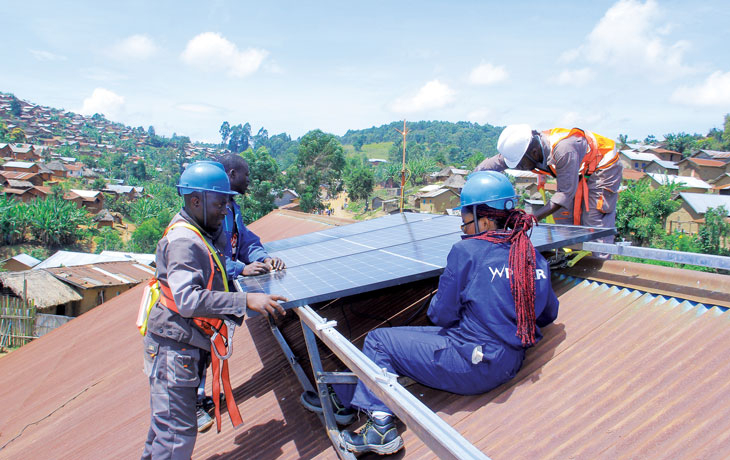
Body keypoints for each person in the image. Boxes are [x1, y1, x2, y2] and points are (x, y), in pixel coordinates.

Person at [301, 171, 559, 456]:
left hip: (472, 365)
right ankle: (348, 398)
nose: (463, 226)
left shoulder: (468, 251)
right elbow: (547, 315)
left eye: (466, 219)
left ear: (484, 219)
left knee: (378, 342)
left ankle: (380, 428)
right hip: (510, 363)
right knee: (408, 346)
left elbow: (441, 316)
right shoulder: (532, 255)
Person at [141, 161, 287, 459]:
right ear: (196, 201)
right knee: (176, 436)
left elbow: (239, 242)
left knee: (165, 430)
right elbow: (187, 300)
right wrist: (244, 300)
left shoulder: (203, 228)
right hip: (173, 349)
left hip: (183, 344)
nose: (225, 210)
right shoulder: (184, 242)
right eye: (220, 203)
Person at [189, 155, 288, 432]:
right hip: (204, 294)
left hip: (221, 292)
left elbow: (244, 239)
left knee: (208, 349)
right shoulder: (207, 212)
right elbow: (209, 254)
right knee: (196, 348)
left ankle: (199, 397)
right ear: (231, 174)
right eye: (246, 175)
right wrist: (240, 269)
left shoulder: (231, 208)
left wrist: (263, 257)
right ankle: (192, 406)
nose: (249, 180)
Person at [476, 125, 622, 241]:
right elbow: (492, 164)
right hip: (576, 169)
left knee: (593, 219)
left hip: (602, 165)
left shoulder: (564, 150)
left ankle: (599, 263)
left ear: (534, 153)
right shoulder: (522, 151)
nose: (517, 168)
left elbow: (564, 194)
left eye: (520, 164)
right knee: (562, 214)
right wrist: (472, 182)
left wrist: (531, 219)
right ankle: (571, 254)